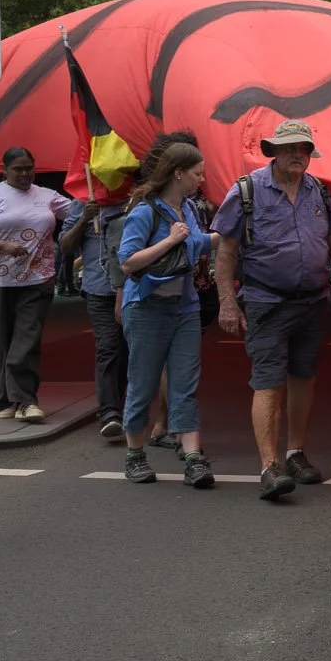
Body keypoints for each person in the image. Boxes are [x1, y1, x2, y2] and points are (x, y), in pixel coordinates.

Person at [213, 119, 331, 499]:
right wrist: (227, 303)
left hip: (312, 301)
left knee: (303, 377)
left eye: (305, 149)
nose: (299, 154)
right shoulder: (247, 190)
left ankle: (295, 454)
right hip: (267, 302)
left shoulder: (319, 192)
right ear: (274, 151)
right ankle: (270, 466)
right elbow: (226, 251)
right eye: (291, 148)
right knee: (268, 381)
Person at [116, 143, 216, 488]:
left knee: (185, 385)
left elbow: (198, 243)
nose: (201, 180)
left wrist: (230, 235)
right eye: (197, 174)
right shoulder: (145, 211)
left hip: (184, 307)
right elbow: (128, 262)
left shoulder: (188, 208)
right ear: (178, 173)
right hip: (146, 308)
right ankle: (135, 455)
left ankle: (193, 459)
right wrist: (170, 240)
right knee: (143, 384)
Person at [0, 147, 80, 421]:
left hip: (37, 280)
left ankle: (26, 401)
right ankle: (5, 400)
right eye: (18, 169)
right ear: (5, 170)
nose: (25, 173)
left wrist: (91, 207)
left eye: (29, 168)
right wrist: (3, 246)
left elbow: (76, 212)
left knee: (26, 340)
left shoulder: (47, 196)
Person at [60, 188, 127, 440]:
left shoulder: (135, 199)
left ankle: (122, 406)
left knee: (128, 352)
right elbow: (65, 246)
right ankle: (109, 413)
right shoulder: (82, 202)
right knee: (108, 347)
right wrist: (84, 219)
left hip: (133, 289)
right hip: (99, 289)